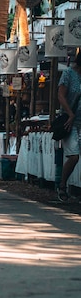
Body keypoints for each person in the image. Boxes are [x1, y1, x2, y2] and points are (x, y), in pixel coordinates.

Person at [56, 51, 81, 201]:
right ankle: (62, 185)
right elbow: (61, 95)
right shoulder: (69, 74)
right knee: (74, 156)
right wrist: (70, 114)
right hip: (70, 122)